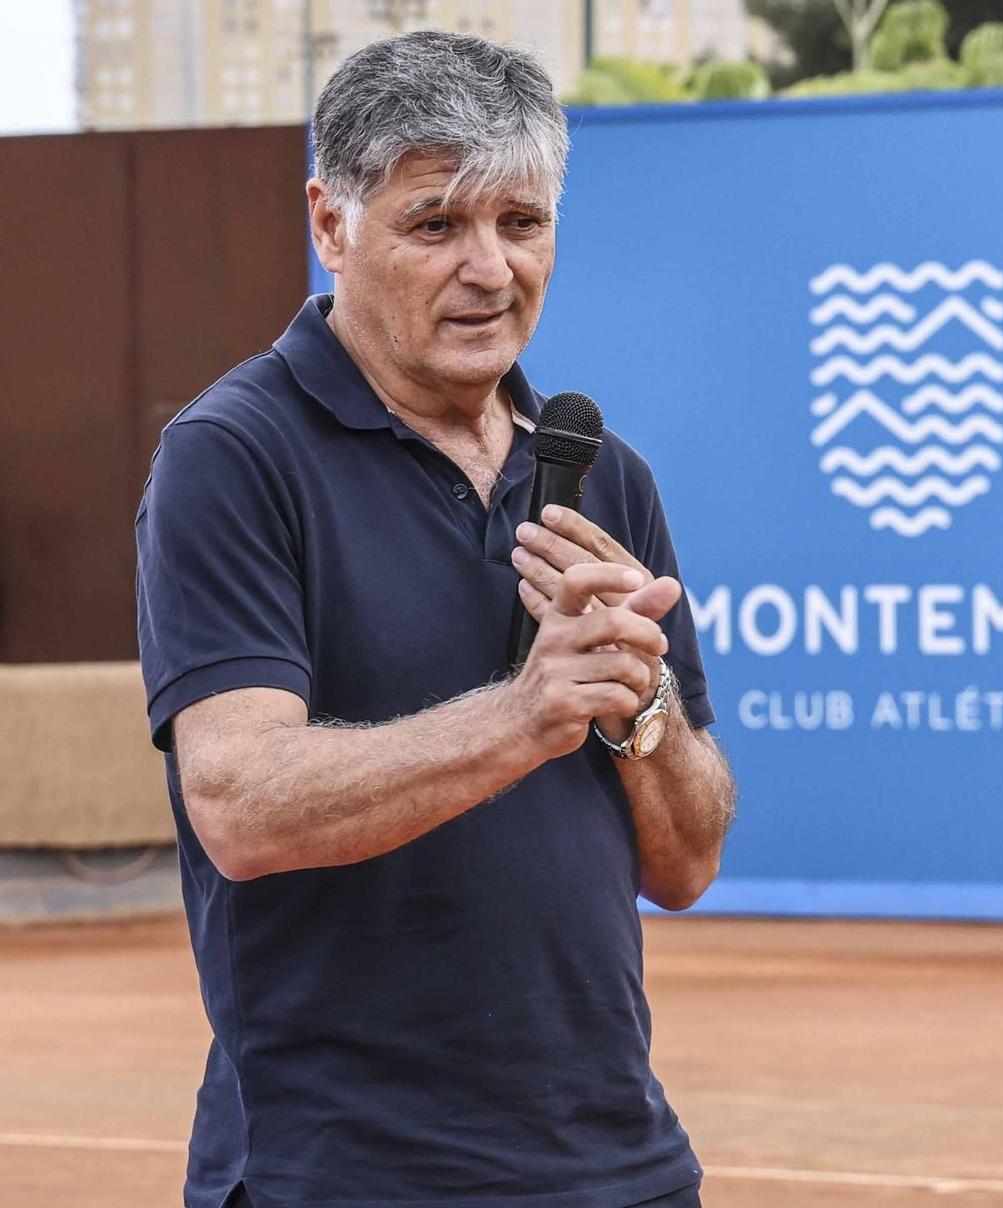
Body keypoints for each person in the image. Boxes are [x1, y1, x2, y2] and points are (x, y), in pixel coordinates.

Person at [135, 32, 735, 1208]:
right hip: (347, 1171)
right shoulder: (233, 456)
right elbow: (240, 804)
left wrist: (639, 701)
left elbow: (689, 861)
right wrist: (525, 713)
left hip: (619, 1162)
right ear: (329, 223)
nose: (489, 270)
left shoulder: (605, 472)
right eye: (434, 225)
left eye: (521, 223)